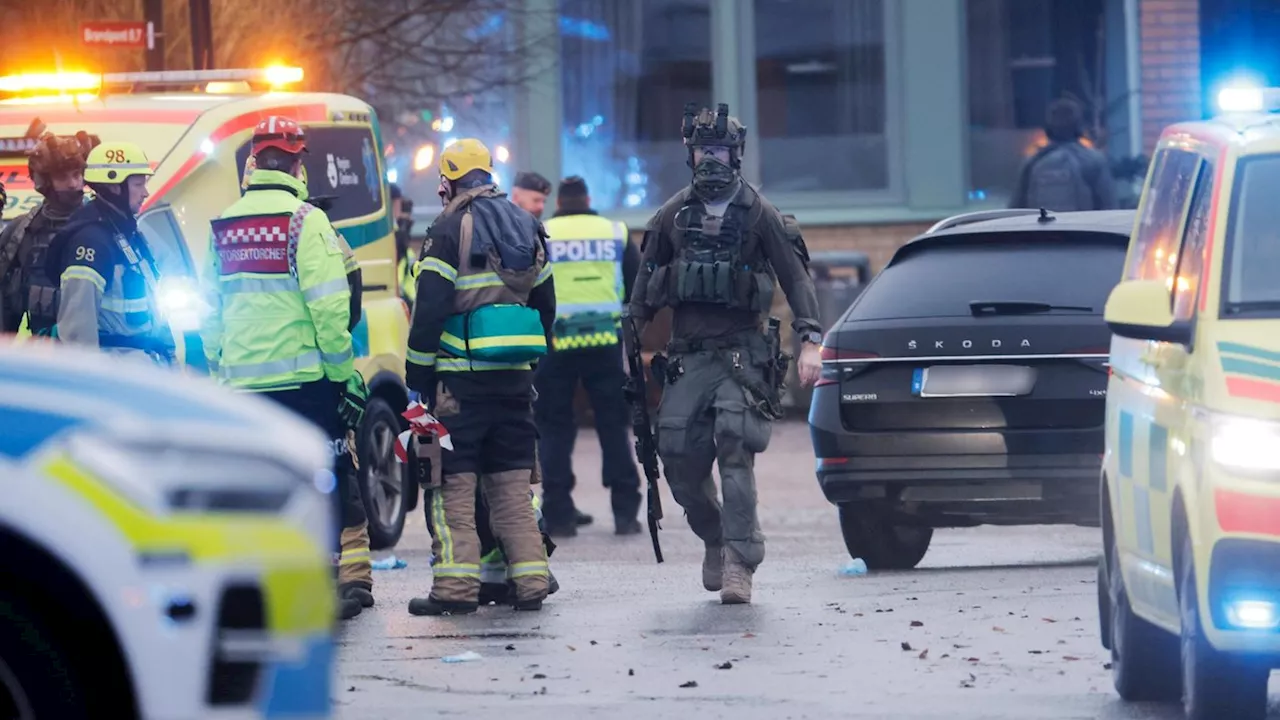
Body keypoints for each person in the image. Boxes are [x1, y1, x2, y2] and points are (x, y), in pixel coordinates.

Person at [627, 104, 823, 605]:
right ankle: (714, 536)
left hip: (742, 353)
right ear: (689, 155)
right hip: (688, 355)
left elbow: (797, 279)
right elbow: (645, 287)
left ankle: (740, 559)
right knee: (678, 461)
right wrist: (629, 338)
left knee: (735, 448)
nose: (709, 160)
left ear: (735, 155)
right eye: (701, 151)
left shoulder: (761, 215)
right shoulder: (672, 215)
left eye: (718, 151)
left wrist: (810, 341)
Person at [199, 116, 372, 621]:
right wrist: (344, 376)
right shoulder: (306, 221)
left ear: (253, 163)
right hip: (306, 385)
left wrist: (219, 367)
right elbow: (328, 308)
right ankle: (325, 585)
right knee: (326, 479)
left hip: (244, 387)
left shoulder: (225, 224)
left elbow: (211, 311)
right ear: (298, 164)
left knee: (264, 486)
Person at [405, 138, 555, 615]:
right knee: (512, 488)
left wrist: (418, 375)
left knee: (452, 491)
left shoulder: (448, 227)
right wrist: (528, 364)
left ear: (448, 181)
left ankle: (454, 591)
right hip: (513, 381)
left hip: (458, 386)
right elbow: (546, 306)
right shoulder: (528, 224)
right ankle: (531, 584)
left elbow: (428, 309)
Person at [536, 175, 643, 537]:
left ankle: (559, 514)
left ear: (560, 203)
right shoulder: (614, 232)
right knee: (613, 425)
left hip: (555, 343)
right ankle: (625, 512)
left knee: (554, 428)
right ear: (588, 199)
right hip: (604, 341)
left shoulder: (542, 231)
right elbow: (636, 283)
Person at [45, 141, 175, 364]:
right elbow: (77, 334)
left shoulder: (128, 234)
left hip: (146, 369)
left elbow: (154, 310)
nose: (145, 192)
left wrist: (171, 362)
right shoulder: (90, 243)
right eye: (138, 184)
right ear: (114, 186)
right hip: (118, 375)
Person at [0, 129, 99, 336]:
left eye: (77, 175)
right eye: (63, 177)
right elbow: (5, 305)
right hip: (45, 355)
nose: (73, 184)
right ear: (44, 182)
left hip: (98, 352)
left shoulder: (104, 226)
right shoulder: (20, 233)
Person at [1009, 98, 1117, 212]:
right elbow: (1109, 207)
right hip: (1081, 228)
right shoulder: (1093, 160)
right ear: (1079, 127)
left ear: (1048, 129)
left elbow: (1015, 209)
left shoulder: (1033, 162)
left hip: (1042, 229)